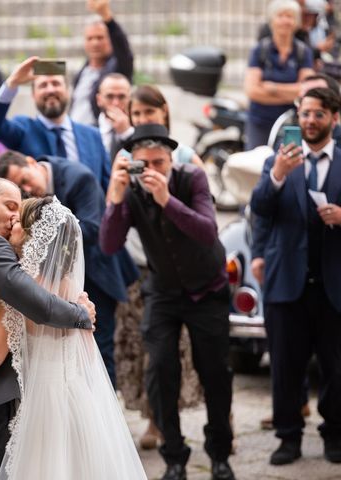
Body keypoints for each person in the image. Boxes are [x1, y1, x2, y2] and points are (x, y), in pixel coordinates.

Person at [0, 195, 146, 480]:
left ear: (32, 234)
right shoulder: (71, 288)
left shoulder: (17, 293)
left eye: (17, 217)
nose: (12, 222)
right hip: (75, 400)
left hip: (38, 406)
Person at [100, 124, 235, 480]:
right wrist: (113, 199)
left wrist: (167, 201)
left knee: (216, 372)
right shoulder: (129, 191)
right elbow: (109, 245)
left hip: (208, 290)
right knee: (160, 369)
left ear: (171, 160)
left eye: (159, 163)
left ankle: (220, 454)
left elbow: (207, 231)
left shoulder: (193, 179)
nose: (153, 171)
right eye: (144, 164)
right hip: (162, 291)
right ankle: (174, 457)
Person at [250, 87, 341, 466]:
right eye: (305, 113)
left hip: (335, 284)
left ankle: (335, 435)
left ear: (334, 118)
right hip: (287, 280)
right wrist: (277, 176)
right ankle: (288, 438)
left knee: (337, 367)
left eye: (319, 114)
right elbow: (259, 209)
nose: (310, 121)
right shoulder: (279, 159)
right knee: (285, 366)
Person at [0, 151, 138, 386]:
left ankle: (99, 399)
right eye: (20, 187)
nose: (27, 188)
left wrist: (52, 233)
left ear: (31, 162)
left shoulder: (79, 177)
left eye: (25, 179)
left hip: (97, 272)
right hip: (47, 274)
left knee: (98, 345)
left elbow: (92, 228)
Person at [0, 57, 110, 190]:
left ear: (68, 91)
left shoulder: (93, 135)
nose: (50, 90)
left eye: (56, 83)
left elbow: (106, 185)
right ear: (33, 94)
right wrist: (12, 84)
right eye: (43, 85)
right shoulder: (23, 129)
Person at [244, 0, 315, 150]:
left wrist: (273, 88)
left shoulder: (303, 52)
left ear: (296, 22)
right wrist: (292, 92)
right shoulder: (259, 50)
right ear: (272, 21)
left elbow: (306, 90)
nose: (285, 20)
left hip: (291, 122)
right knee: (255, 166)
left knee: (289, 165)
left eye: (290, 16)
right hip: (260, 121)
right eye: (280, 16)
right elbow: (252, 91)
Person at [71, 0, 134, 126]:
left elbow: (123, 51)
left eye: (100, 38)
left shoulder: (117, 68)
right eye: (90, 38)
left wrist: (107, 17)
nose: (95, 43)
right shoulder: (83, 71)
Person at [96, 72, 132, 161]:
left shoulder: (139, 130)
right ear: (99, 99)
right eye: (110, 96)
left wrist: (126, 133)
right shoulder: (88, 131)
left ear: (130, 99)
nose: (116, 103)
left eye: (121, 97)